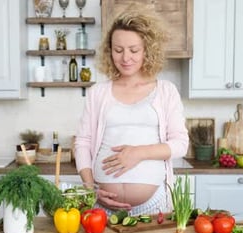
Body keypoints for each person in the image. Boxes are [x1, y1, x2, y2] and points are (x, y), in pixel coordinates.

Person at [74, 4, 189, 216]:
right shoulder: (97, 92)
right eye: (118, 50)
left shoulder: (165, 91)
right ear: (110, 51)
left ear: (147, 49)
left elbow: (181, 144)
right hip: (102, 207)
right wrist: (90, 188)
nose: (125, 58)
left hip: (153, 206)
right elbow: (82, 143)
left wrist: (138, 153)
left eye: (134, 50)